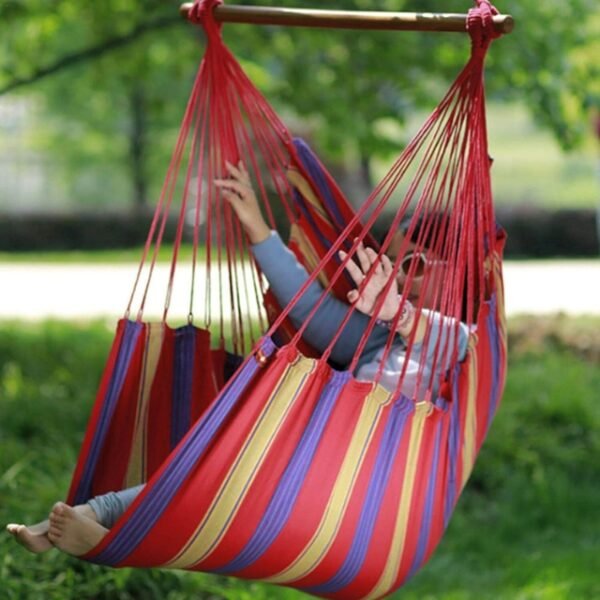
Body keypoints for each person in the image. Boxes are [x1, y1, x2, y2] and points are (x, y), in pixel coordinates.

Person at [7, 161, 469, 557]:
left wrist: (405, 315)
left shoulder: (465, 347)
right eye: (394, 264)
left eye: (416, 265)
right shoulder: (377, 340)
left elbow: (455, 341)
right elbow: (307, 307)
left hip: (368, 483)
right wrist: (256, 224)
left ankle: (113, 532)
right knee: (222, 456)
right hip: (319, 453)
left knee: (237, 472)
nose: (399, 279)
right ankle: (95, 516)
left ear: (459, 273)